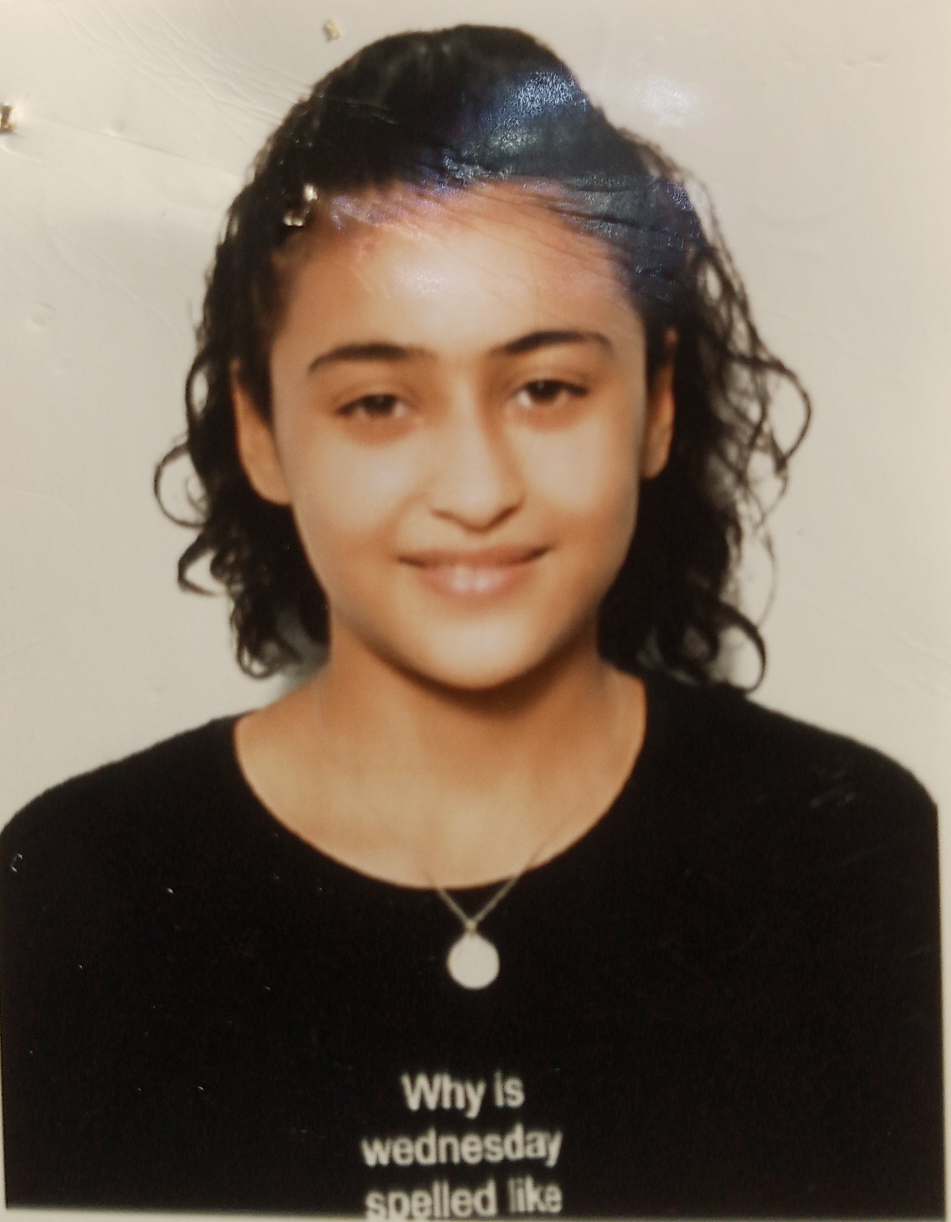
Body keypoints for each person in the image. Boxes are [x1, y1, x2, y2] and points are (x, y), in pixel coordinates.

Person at [0, 24, 942, 1219]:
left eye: (545, 387)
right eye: (378, 402)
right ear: (260, 429)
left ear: (655, 404)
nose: (478, 487)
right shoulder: (80, 885)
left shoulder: (859, 856)